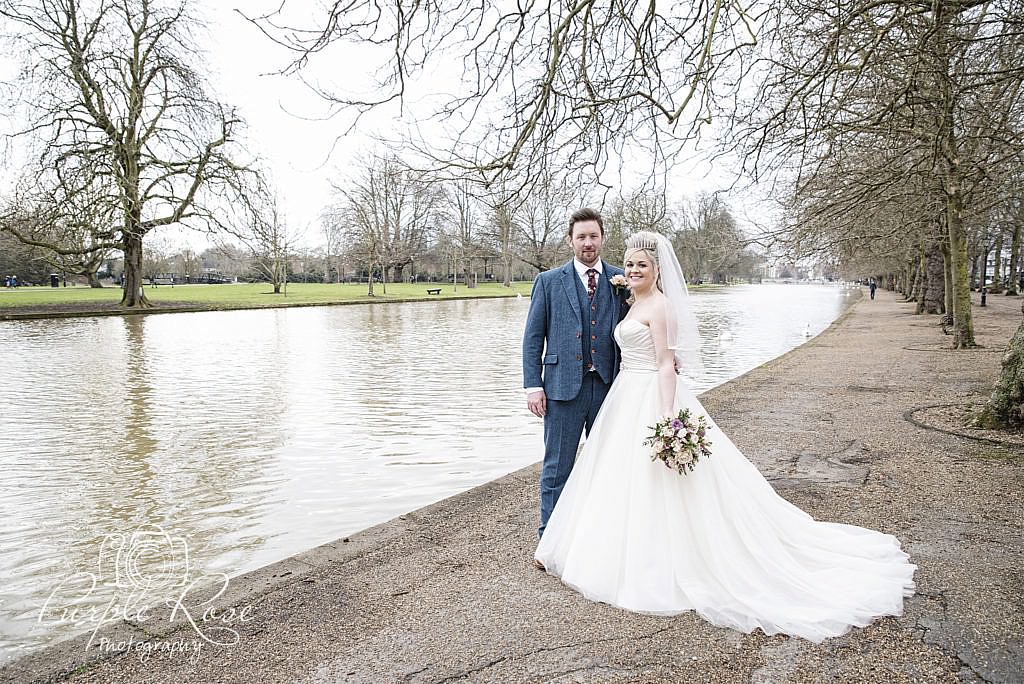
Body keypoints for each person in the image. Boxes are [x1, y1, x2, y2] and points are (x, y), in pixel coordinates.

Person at [535, 231, 915, 643]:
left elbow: (665, 365)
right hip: (623, 394)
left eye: (642, 265)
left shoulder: (660, 306)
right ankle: (612, 551)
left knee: (660, 483)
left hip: (650, 397)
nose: (632, 270)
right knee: (616, 478)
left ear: (658, 269)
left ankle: (662, 562)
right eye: (628, 265)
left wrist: (666, 417)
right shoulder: (630, 298)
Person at [522, 207, 627, 542]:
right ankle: (550, 538)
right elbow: (533, 337)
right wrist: (533, 386)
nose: (587, 243)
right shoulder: (549, 281)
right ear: (570, 241)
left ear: (603, 238)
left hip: (609, 387)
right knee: (557, 468)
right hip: (561, 389)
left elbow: (641, 324)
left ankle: (597, 538)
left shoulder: (621, 280)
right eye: (581, 237)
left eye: (593, 236)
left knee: (606, 466)